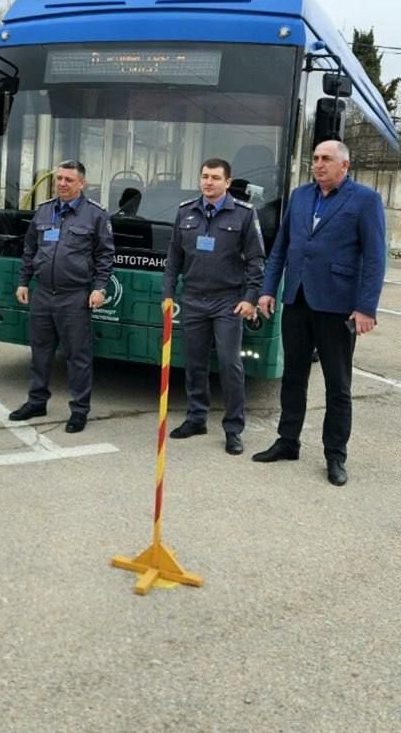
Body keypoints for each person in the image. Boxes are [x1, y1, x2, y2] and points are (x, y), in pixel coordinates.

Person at [253, 140, 386, 485]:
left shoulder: (365, 200)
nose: (318, 164)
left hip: (338, 306)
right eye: (315, 158)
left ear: (344, 165)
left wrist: (365, 307)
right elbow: (281, 247)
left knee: (337, 386)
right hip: (296, 300)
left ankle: (335, 456)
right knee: (293, 377)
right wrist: (269, 290)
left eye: (326, 159)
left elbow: (374, 258)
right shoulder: (299, 196)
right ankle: (287, 441)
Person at [162, 159, 265, 454]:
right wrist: (167, 294)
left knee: (230, 364)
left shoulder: (244, 214)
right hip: (192, 298)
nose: (209, 182)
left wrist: (250, 297)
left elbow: (256, 260)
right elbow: (173, 260)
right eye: (205, 176)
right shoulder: (185, 212)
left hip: (227, 302)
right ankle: (196, 418)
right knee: (194, 362)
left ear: (227, 182)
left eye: (215, 178)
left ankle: (233, 429)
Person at [9, 160, 115, 433]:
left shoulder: (95, 215)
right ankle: (36, 401)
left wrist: (99, 287)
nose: (63, 184)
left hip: (74, 297)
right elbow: (30, 248)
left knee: (77, 356)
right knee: (40, 352)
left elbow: (105, 255)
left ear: (82, 183)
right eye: (59, 179)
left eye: (69, 180)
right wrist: (24, 282)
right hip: (43, 293)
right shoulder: (44, 212)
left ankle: (79, 410)